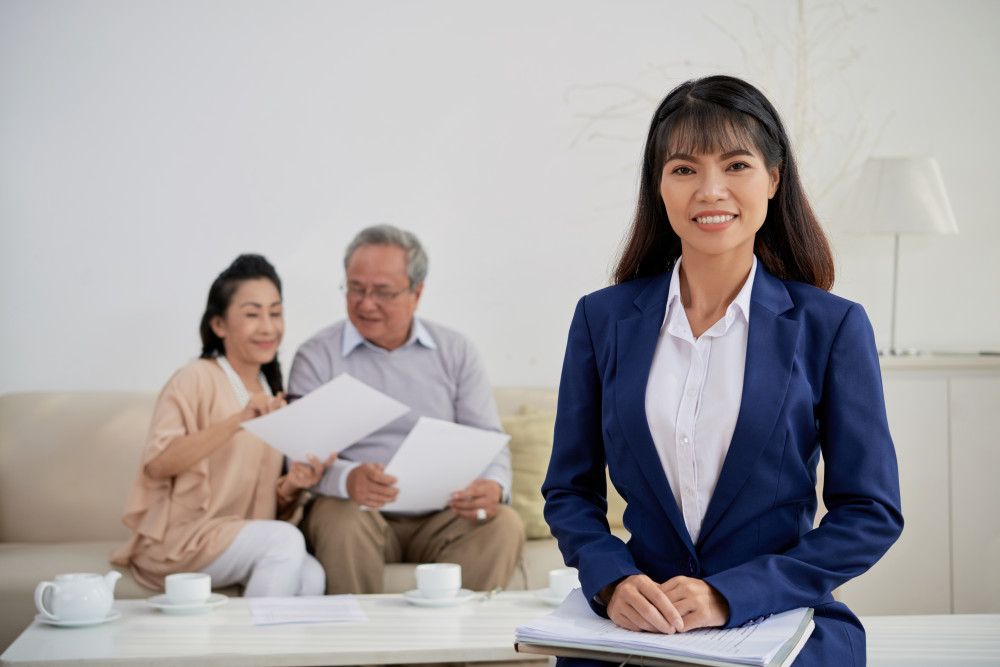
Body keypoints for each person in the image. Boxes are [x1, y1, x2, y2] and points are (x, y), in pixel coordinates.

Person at [542, 75, 903, 666]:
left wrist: (728, 595)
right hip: (638, 623)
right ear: (659, 187)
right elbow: (569, 490)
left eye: (736, 165)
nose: (711, 190)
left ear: (773, 179)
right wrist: (610, 582)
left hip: (777, 617)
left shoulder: (831, 326)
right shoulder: (601, 319)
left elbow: (870, 512)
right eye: (684, 169)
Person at [289, 224, 525, 595]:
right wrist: (348, 479)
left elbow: (489, 439)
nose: (366, 303)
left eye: (382, 291)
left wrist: (495, 486)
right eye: (355, 288)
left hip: (444, 513)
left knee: (504, 524)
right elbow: (298, 460)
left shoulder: (456, 352)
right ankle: (363, 656)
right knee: (338, 516)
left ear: (417, 293)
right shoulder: (317, 356)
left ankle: (443, 655)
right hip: (357, 512)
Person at [112, 254, 333, 597]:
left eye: (275, 312)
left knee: (313, 574)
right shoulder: (194, 378)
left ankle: (276, 651)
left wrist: (290, 486)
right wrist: (238, 421)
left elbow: (259, 507)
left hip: (232, 539)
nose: (268, 327)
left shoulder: (272, 393)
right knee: (285, 541)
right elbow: (157, 464)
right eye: (252, 314)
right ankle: (250, 650)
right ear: (219, 325)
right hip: (182, 541)